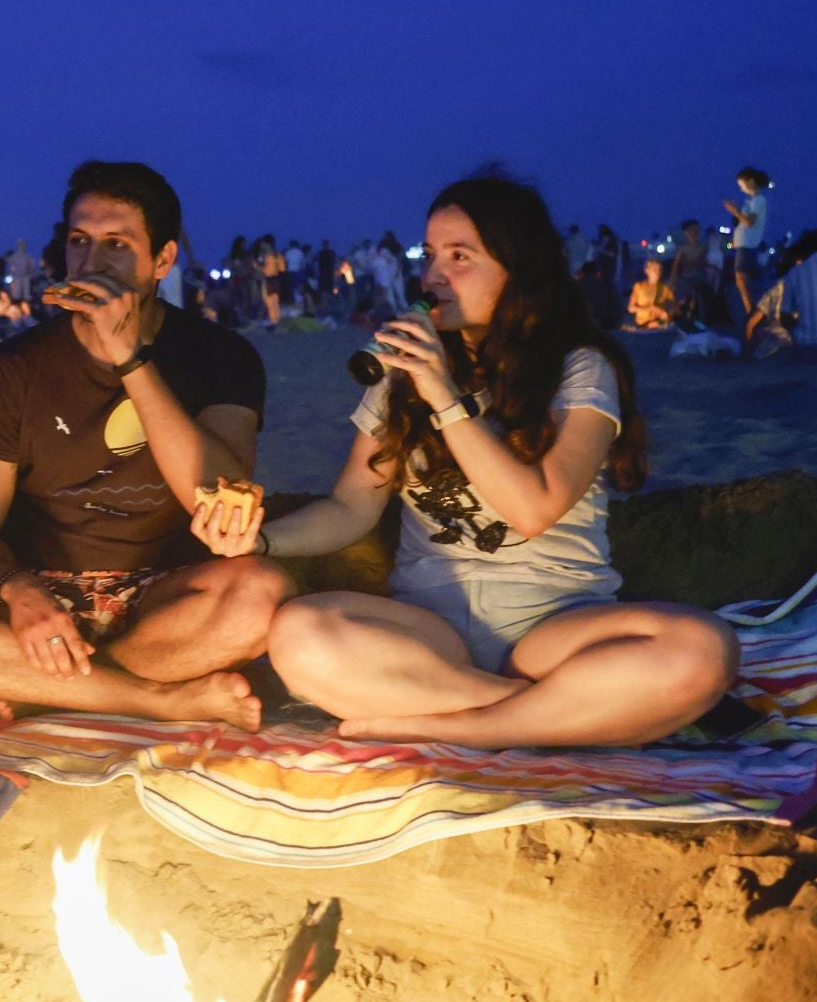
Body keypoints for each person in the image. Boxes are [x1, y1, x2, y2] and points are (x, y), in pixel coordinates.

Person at [259, 171, 737, 749]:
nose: (434, 274)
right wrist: (261, 541)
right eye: (431, 254)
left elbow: (534, 510)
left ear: (519, 268)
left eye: (460, 256)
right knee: (297, 634)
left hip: (554, 626)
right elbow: (350, 505)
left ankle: (452, 725)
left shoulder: (580, 368)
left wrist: (444, 396)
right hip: (429, 631)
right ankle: (562, 714)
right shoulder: (404, 374)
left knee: (703, 650)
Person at [0, 160, 290, 730]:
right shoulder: (17, 367)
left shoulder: (220, 356)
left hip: (161, 603)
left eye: (117, 244)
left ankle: (43, 684)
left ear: (162, 260)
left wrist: (130, 359)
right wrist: (18, 592)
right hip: (39, 593)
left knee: (264, 595)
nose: (93, 262)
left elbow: (211, 498)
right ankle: (151, 699)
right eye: (79, 242)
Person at [724, 167, 771, 314]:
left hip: (747, 244)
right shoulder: (751, 201)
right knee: (746, 279)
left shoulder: (758, 200)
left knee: (741, 278)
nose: (740, 188)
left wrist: (734, 211)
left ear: (750, 181)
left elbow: (749, 222)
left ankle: (751, 310)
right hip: (744, 244)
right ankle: (753, 309)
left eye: (741, 185)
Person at [625, 258, 676, 330]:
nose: (657, 272)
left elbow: (673, 306)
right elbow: (630, 308)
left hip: (659, 323)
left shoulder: (665, 289)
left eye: (659, 269)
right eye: (654, 269)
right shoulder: (639, 286)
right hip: (642, 324)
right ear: (647, 271)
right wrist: (649, 308)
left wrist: (665, 313)